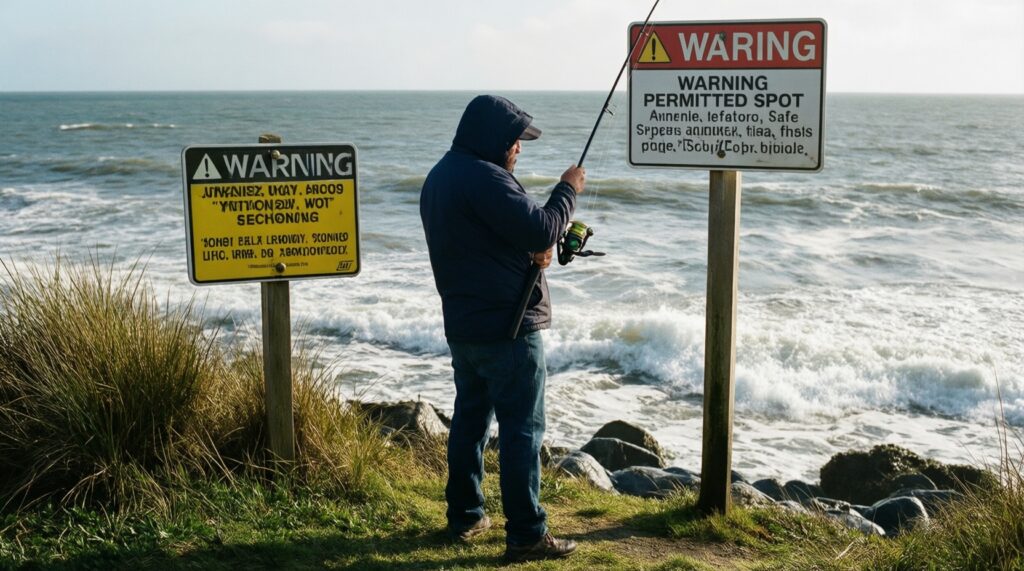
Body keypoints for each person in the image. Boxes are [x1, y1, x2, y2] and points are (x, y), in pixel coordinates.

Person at [419, 95, 585, 562]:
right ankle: (528, 533)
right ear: (493, 138)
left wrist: (530, 253)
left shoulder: (442, 176)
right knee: (522, 430)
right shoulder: (486, 176)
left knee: (470, 421)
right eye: (514, 140)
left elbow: (480, 242)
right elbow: (543, 227)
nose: (518, 149)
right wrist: (567, 188)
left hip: (465, 324)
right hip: (507, 328)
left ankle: (466, 514)